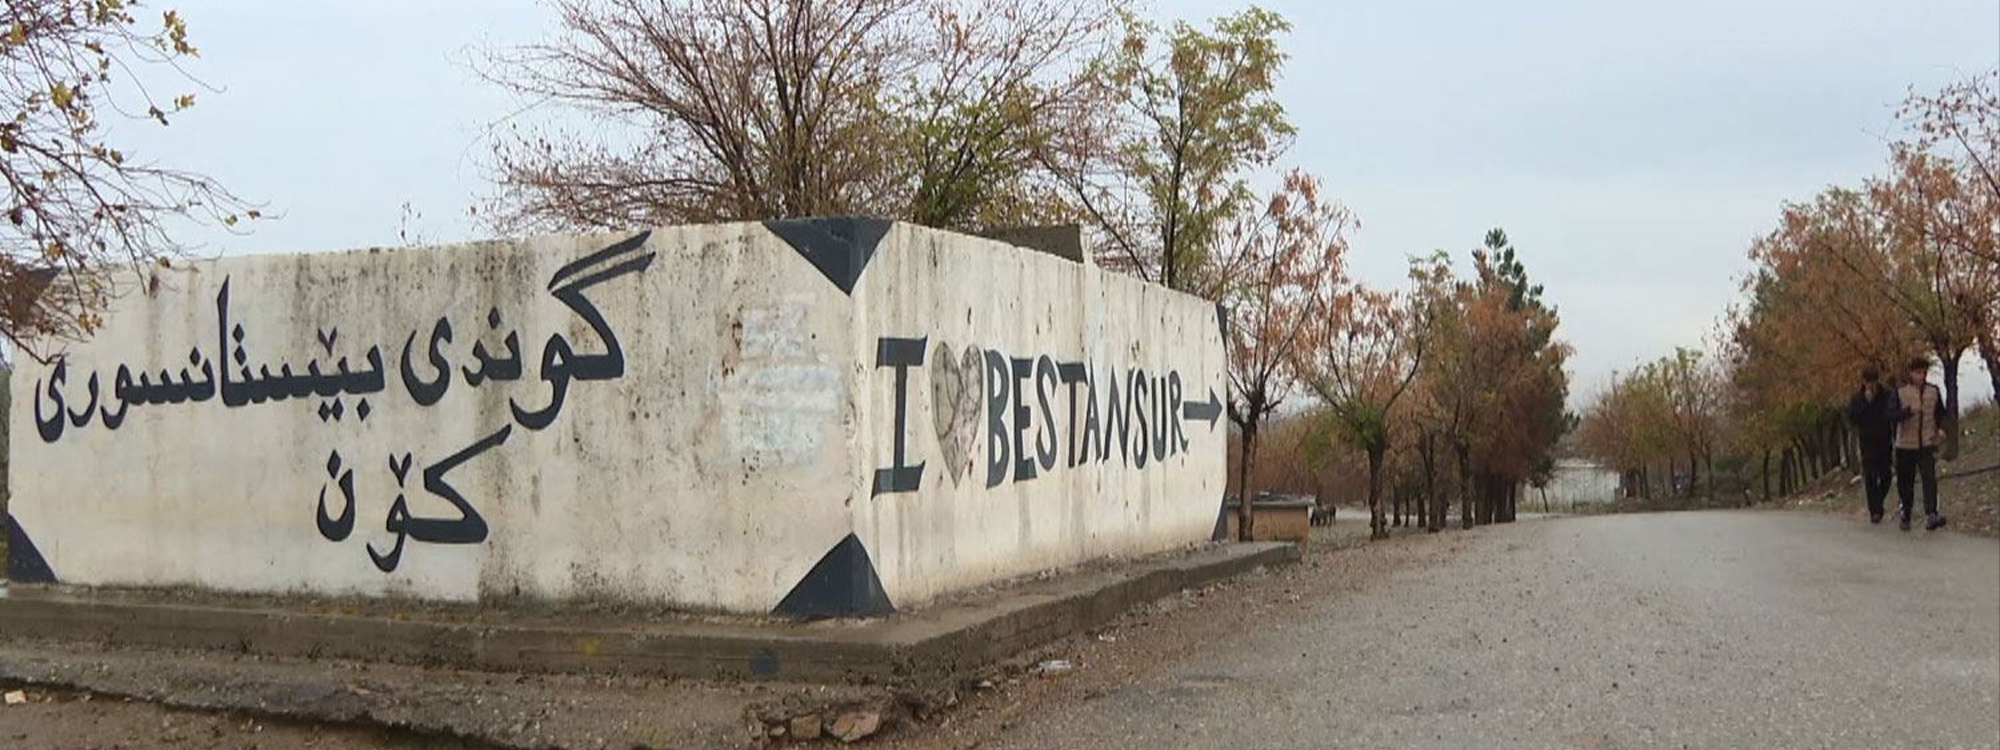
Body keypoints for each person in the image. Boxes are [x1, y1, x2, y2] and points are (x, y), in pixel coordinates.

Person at [1892, 357, 1949, 531]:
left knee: (1929, 478)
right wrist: (1907, 412)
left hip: (1927, 443)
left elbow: (1941, 413)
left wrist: (1941, 428)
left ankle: (1931, 513)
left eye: (1924, 372)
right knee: (1906, 482)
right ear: (1910, 373)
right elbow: (1891, 415)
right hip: (1905, 445)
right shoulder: (1900, 392)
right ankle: (1906, 511)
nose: (1921, 376)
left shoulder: (1933, 391)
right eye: (1918, 372)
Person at [1845, 365, 1897, 523]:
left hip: (1884, 440)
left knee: (1886, 475)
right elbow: (1852, 417)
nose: (1871, 385)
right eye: (1868, 382)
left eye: (1874, 381)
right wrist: (1865, 403)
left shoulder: (1886, 395)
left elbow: (1892, 413)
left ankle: (1878, 501)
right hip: (1867, 442)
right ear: (1864, 382)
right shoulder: (1857, 398)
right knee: (1870, 476)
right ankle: (1874, 510)